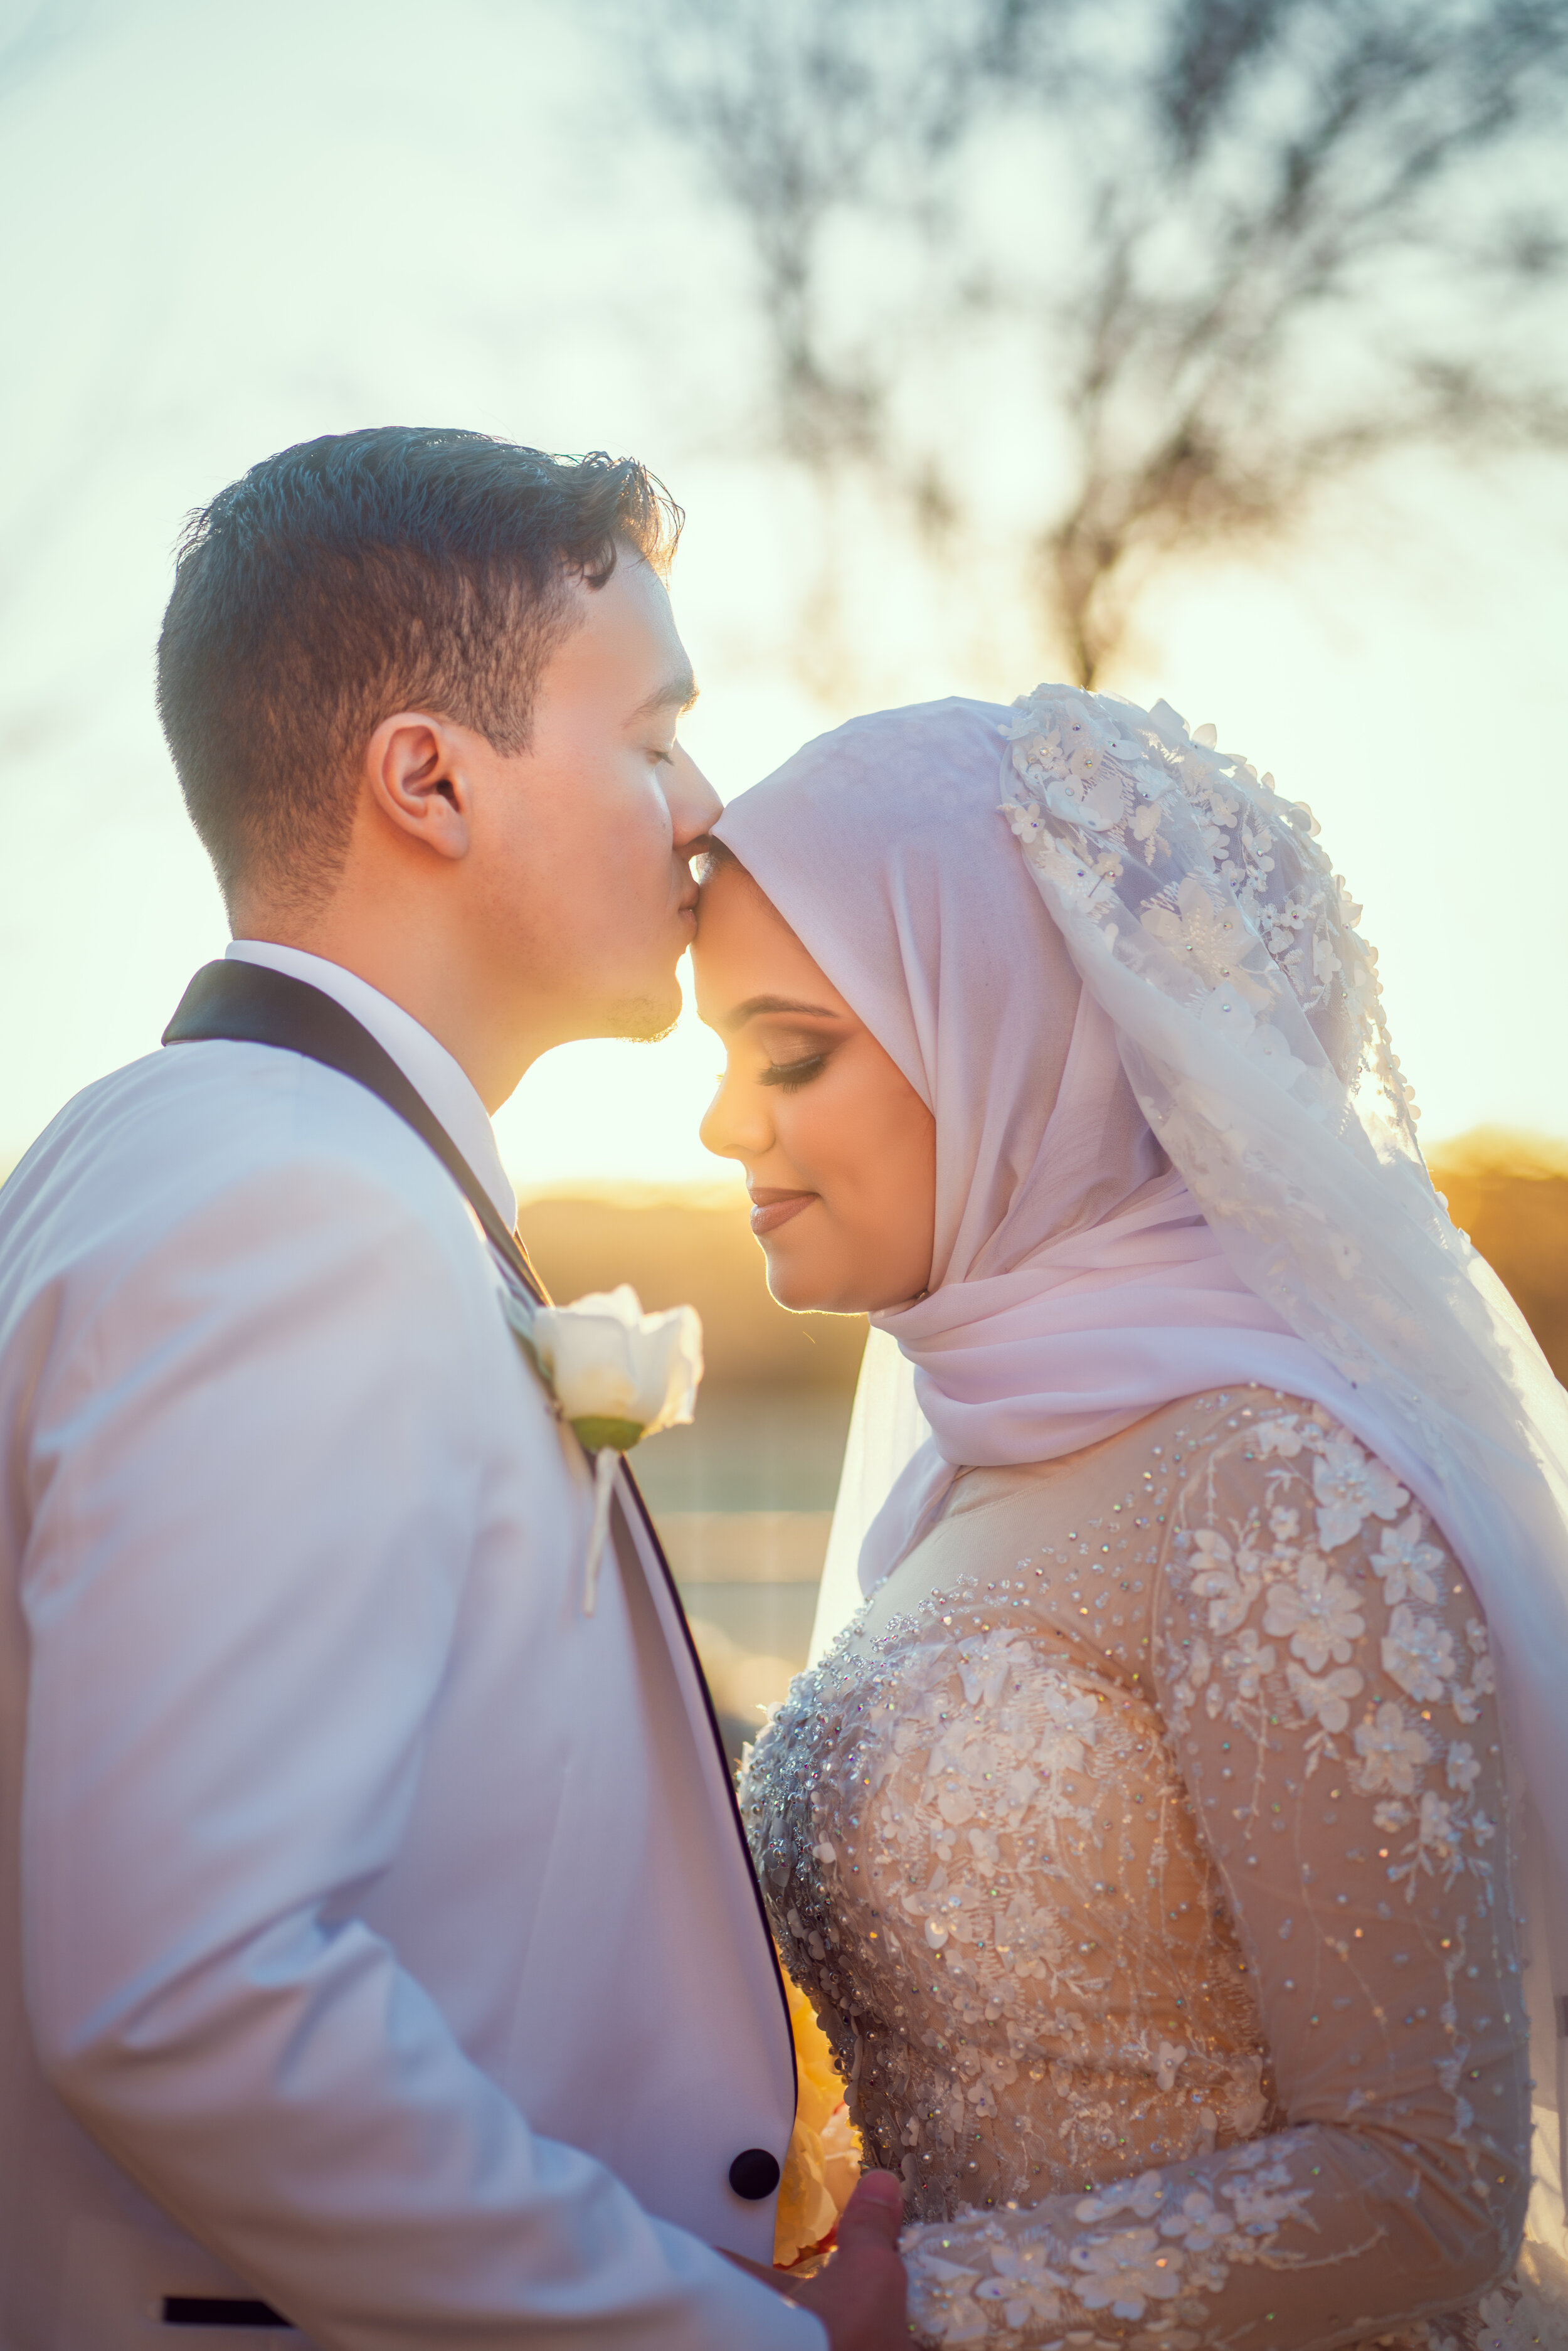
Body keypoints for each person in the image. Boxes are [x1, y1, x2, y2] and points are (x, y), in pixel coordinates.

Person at [0, 427, 908, 2350]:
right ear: (426, 776)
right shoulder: (287, 1209)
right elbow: (191, 1991)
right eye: (652, 731)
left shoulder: (205, 1155)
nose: (700, 800)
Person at [692, 689, 1568, 2348]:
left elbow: (1428, 2179)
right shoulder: (955, 1481)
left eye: (787, 1047)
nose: (725, 1122)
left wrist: (917, 2308)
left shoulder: (1271, 1487)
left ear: (1017, 1034)